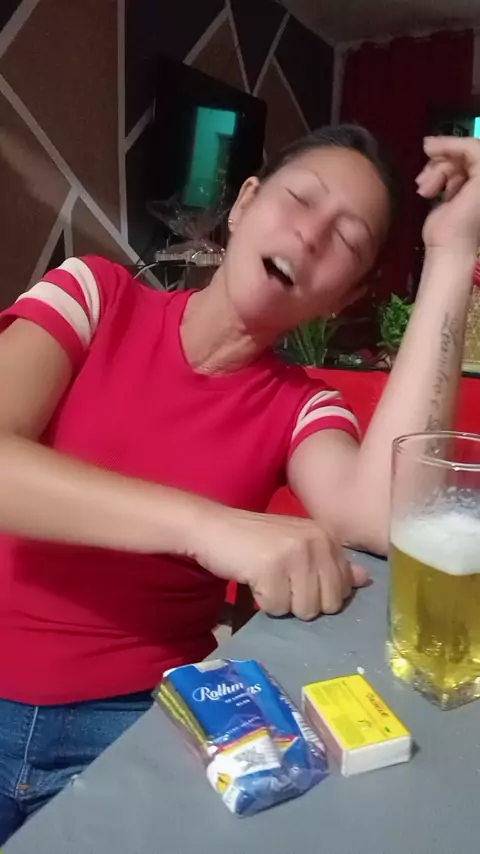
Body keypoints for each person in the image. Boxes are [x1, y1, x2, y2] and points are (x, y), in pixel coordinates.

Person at [0, 124, 478, 842]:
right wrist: (209, 526)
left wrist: (453, 251)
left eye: (347, 241)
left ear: (340, 299)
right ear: (245, 204)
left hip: (136, 721)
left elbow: (386, 515)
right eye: (300, 199)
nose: (311, 235)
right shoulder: (94, 295)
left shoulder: (302, 407)